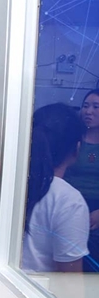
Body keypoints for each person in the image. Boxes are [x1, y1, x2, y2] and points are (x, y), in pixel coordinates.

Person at [23, 103, 89, 272]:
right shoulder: (68, 201)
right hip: (38, 288)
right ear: (77, 148)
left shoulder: (12, 184)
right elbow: (70, 280)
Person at [65, 90, 99, 271]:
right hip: (71, 203)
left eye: (96, 107)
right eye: (85, 106)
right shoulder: (72, 140)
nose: (89, 111)